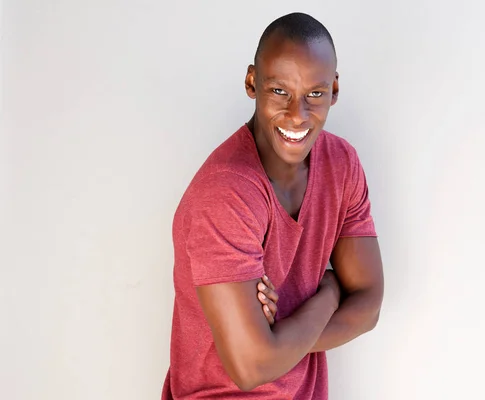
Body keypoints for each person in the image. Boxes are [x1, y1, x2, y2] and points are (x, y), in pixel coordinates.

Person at [162, 12, 384, 399]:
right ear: (253, 82)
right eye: (280, 91)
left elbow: (368, 305)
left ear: (333, 90)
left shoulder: (341, 165)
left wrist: (277, 340)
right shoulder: (226, 193)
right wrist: (330, 292)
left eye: (314, 93)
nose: (297, 115)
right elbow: (251, 367)